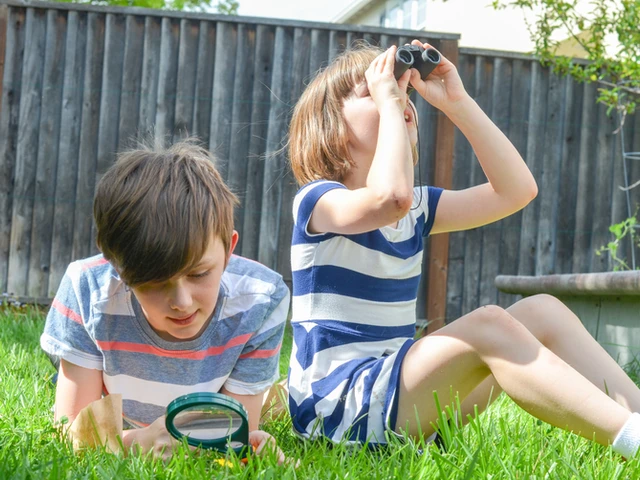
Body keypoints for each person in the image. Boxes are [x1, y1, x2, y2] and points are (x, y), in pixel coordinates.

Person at [286, 41, 640, 459]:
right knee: (489, 323)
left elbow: (517, 191)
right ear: (330, 127)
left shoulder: (414, 210)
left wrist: (458, 103)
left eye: (405, 94)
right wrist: (390, 103)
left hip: (397, 400)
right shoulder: (318, 201)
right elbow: (389, 198)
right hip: (337, 409)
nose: (399, 99)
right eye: (374, 90)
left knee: (542, 310)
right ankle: (631, 438)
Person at [41, 139, 290, 460]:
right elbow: (73, 432)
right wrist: (137, 441)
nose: (182, 302)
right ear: (117, 265)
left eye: (199, 274)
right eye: (155, 282)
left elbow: (231, 435)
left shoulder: (261, 301)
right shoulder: (86, 290)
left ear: (229, 249)